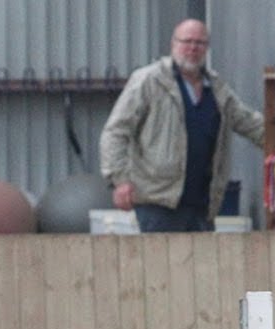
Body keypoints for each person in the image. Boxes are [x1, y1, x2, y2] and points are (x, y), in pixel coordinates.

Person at [99, 18, 266, 232]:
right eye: (187, 41)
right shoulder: (149, 81)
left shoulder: (216, 88)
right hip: (158, 202)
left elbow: (249, 122)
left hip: (202, 204)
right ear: (173, 44)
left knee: (203, 266)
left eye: (199, 43)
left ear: (207, 48)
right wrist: (119, 179)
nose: (193, 48)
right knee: (161, 264)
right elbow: (115, 132)